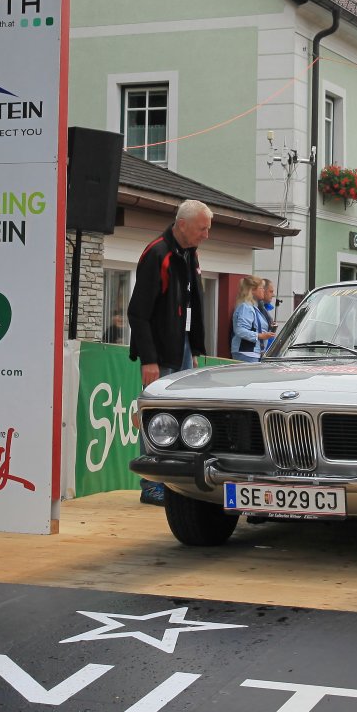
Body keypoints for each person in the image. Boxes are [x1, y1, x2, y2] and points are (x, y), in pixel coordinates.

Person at [128, 199, 212, 503]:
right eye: (202, 228)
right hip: (161, 352)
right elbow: (138, 313)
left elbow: (194, 305)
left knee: (182, 417)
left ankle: (177, 484)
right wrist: (149, 359)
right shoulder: (158, 254)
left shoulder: (190, 254)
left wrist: (195, 349)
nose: (206, 234)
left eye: (208, 229)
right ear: (183, 225)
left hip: (183, 346)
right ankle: (152, 485)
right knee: (157, 417)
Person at [230, 276, 273, 361]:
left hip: (253, 353)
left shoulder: (253, 307)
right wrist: (260, 335)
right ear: (252, 290)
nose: (263, 291)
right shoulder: (246, 307)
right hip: (246, 353)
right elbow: (240, 330)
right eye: (261, 288)